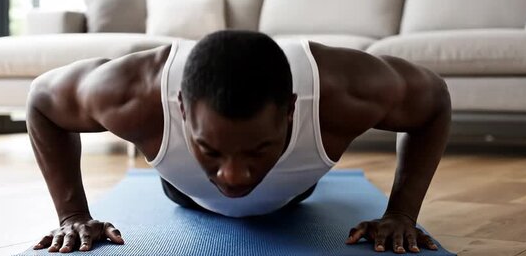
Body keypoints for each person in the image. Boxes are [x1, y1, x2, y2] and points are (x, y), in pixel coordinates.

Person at [28, 30, 450, 254]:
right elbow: (42, 102)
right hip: (185, 190)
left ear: (291, 110)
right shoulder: (131, 95)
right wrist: (73, 215)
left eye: (257, 149)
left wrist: (402, 213)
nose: (233, 176)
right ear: (181, 110)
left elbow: (434, 102)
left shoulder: (343, 91)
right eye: (211, 151)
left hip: (293, 191)